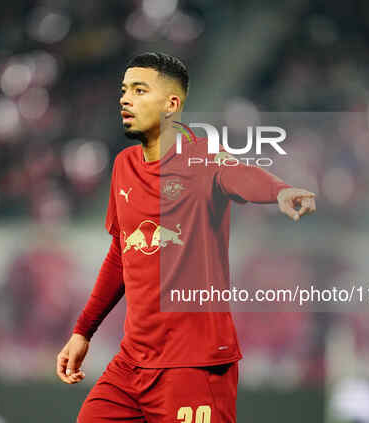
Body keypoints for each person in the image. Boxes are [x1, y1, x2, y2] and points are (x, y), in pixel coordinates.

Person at [56, 52, 316, 422]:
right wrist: (83, 331)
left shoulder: (202, 158)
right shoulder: (123, 166)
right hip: (132, 364)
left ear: (171, 104)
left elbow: (241, 175)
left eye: (140, 90)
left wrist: (279, 191)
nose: (125, 99)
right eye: (124, 89)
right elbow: (121, 254)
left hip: (194, 367)